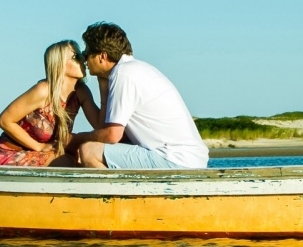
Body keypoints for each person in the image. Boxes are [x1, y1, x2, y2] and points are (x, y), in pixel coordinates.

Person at [67, 22, 209, 169]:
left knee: (89, 151)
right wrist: (104, 88)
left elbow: (112, 135)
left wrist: (74, 140)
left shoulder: (123, 74)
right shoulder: (134, 69)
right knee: (98, 146)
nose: (84, 60)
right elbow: (103, 129)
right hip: (188, 159)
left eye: (86, 54)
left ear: (102, 56)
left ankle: (115, 192)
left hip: (174, 158)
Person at [0, 40, 100, 166]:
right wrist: (39, 146)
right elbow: (4, 120)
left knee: (84, 156)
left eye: (83, 55)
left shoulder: (81, 92)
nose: (83, 60)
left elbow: (100, 125)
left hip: (46, 153)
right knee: (67, 162)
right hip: (11, 153)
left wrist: (103, 79)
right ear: (59, 63)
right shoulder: (44, 90)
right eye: (77, 57)